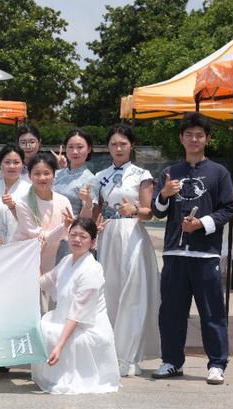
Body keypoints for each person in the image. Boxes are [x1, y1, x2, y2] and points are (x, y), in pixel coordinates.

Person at [151, 112, 233, 385]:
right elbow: (157, 211)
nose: (194, 139)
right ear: (181, 138)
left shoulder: (219, 172)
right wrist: (164, 194)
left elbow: (229, 209)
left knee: (212, 312)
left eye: (199, 135)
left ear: (207, 139)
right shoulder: (169, 172)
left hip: (205, 253)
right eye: (189, 135)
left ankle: (217, 364)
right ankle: (171, 361)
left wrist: (201, 223)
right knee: (171, 312)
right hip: (174, 253)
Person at [94, 124, 160, 377]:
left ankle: (131, 356)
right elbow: (97, 210)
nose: (118, 148)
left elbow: (149, 212)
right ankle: (110, 352)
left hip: (132, 235)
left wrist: (134, 210)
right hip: (108, 236)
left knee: (133, 295)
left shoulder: (142, 174)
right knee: (109, 294)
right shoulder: (101, 176)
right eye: (113, 144)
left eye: (123, 143)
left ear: (132, 145)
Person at [33, 217, 120, 394]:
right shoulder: (66, 260)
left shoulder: (91, 270)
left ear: (93, 242)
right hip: (65, 320)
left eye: (83, 236)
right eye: (73, 235)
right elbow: (43, 283)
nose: (77, 240)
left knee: (50, 332)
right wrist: (37, 255)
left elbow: (77, 314)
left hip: (87, 328)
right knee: (40, 327)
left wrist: (59, 346)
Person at [14, 154, 74, 278]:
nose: (42, 178)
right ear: (29, 176)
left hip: (55, 257)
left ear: (54, 175)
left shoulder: (63, 201)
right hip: (27, 258)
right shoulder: (22, 203)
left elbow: (69, 233)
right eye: (37, 174)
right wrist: (64, 227)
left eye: (47, 173)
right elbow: (38, 237)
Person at [51, 129, 97, 260]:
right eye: (70, 147)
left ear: (89, 149)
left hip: (70, 236)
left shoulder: (90, 179)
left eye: (80, 147)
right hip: (49, 231)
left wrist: (88, 202)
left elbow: (86, 219)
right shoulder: (57, 174)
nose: (75, 152)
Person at [0, 144, 30, 247]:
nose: (12, 166)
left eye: (16, 162)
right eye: (7, 162)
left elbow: (34, 222)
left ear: (23, 164)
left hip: (21, 248)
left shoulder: (30, 190)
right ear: (0, 164)